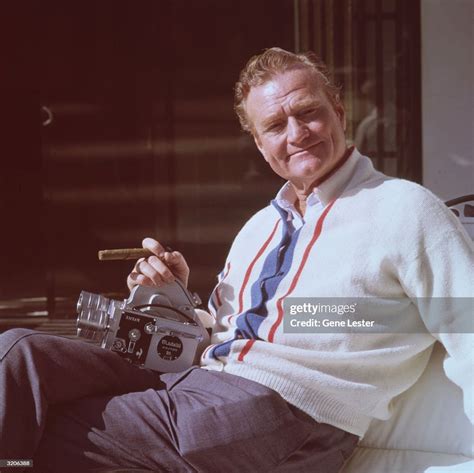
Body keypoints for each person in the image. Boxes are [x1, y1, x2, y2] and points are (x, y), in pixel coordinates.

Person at [1, 48, 472, 473]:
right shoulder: (258, 228)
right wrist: (175, 296)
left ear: (339, 112)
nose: (297, 134)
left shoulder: (404, 208)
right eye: (275, 126)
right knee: (19, 354)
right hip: (202, 383)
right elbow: (218, 333)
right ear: (259, 144)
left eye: (308, 113)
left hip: (281, 413)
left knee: (44, 430)